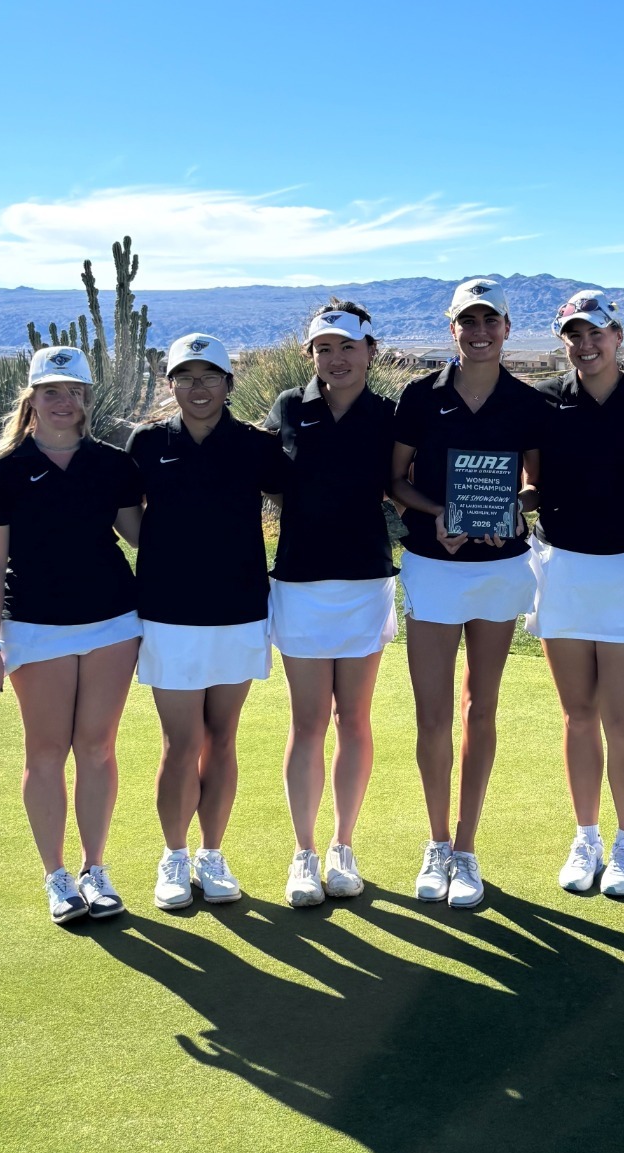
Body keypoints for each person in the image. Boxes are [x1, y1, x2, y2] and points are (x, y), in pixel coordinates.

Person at [0, 345, 144, 925]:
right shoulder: (3, 474)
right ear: (31, 400)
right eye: (51, 392)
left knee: (96, 747)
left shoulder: (114, 464)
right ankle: (56, 876)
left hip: (114, 622)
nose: (63, 402)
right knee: (45, 753)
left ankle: (96, 869)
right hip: (35, 627)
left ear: (87, 399)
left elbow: (141, 537)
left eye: (73, 392)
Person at [390, 279, 545, 909]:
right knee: (432, 713)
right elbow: (395, 480)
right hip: (433, 564)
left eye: (490, 320)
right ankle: (436, 844)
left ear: (506, 328)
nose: (479, 331)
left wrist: (514, 510)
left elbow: (538, 487)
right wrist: (440, 514)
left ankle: (467, 847)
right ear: (451, 328)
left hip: (500, 568)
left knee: (480, 708)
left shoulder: (527, 402)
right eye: (467, 321)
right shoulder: (420, 396)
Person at [128, 333, 289, 912]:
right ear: (171, 384)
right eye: (186, 377)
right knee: (180, 742)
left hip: (239, 610)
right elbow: (127, 513)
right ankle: (173, 856)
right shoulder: (147, 443)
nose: (198, 388)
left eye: (210, 377)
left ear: (229, 383)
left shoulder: (255, 445)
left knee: (222, 738)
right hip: (169, 613)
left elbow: (297, 494)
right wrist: (171, 554)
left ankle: (210, 854)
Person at [531, 290, 624, 899]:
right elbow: (531, 479)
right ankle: (586, 834)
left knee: (622, 718)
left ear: (617, 335)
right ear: (563, 341)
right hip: (562, 565)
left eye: (596, 333)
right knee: (577, 714)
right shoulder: (547, 403)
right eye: (574, 335)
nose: (585, 345)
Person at [264, 301, 398, 908]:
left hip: (366, 582)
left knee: (355, 719)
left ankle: (344, 847)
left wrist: (447, 517)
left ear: (369, 351)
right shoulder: (290, 409)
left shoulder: (387, 416)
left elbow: (405, 485)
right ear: (310, 355)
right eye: (324, 349)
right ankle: (304, 852)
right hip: (299, 582)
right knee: (309, 721)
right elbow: (259, 476)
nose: (336, 359)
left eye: (347, 347)